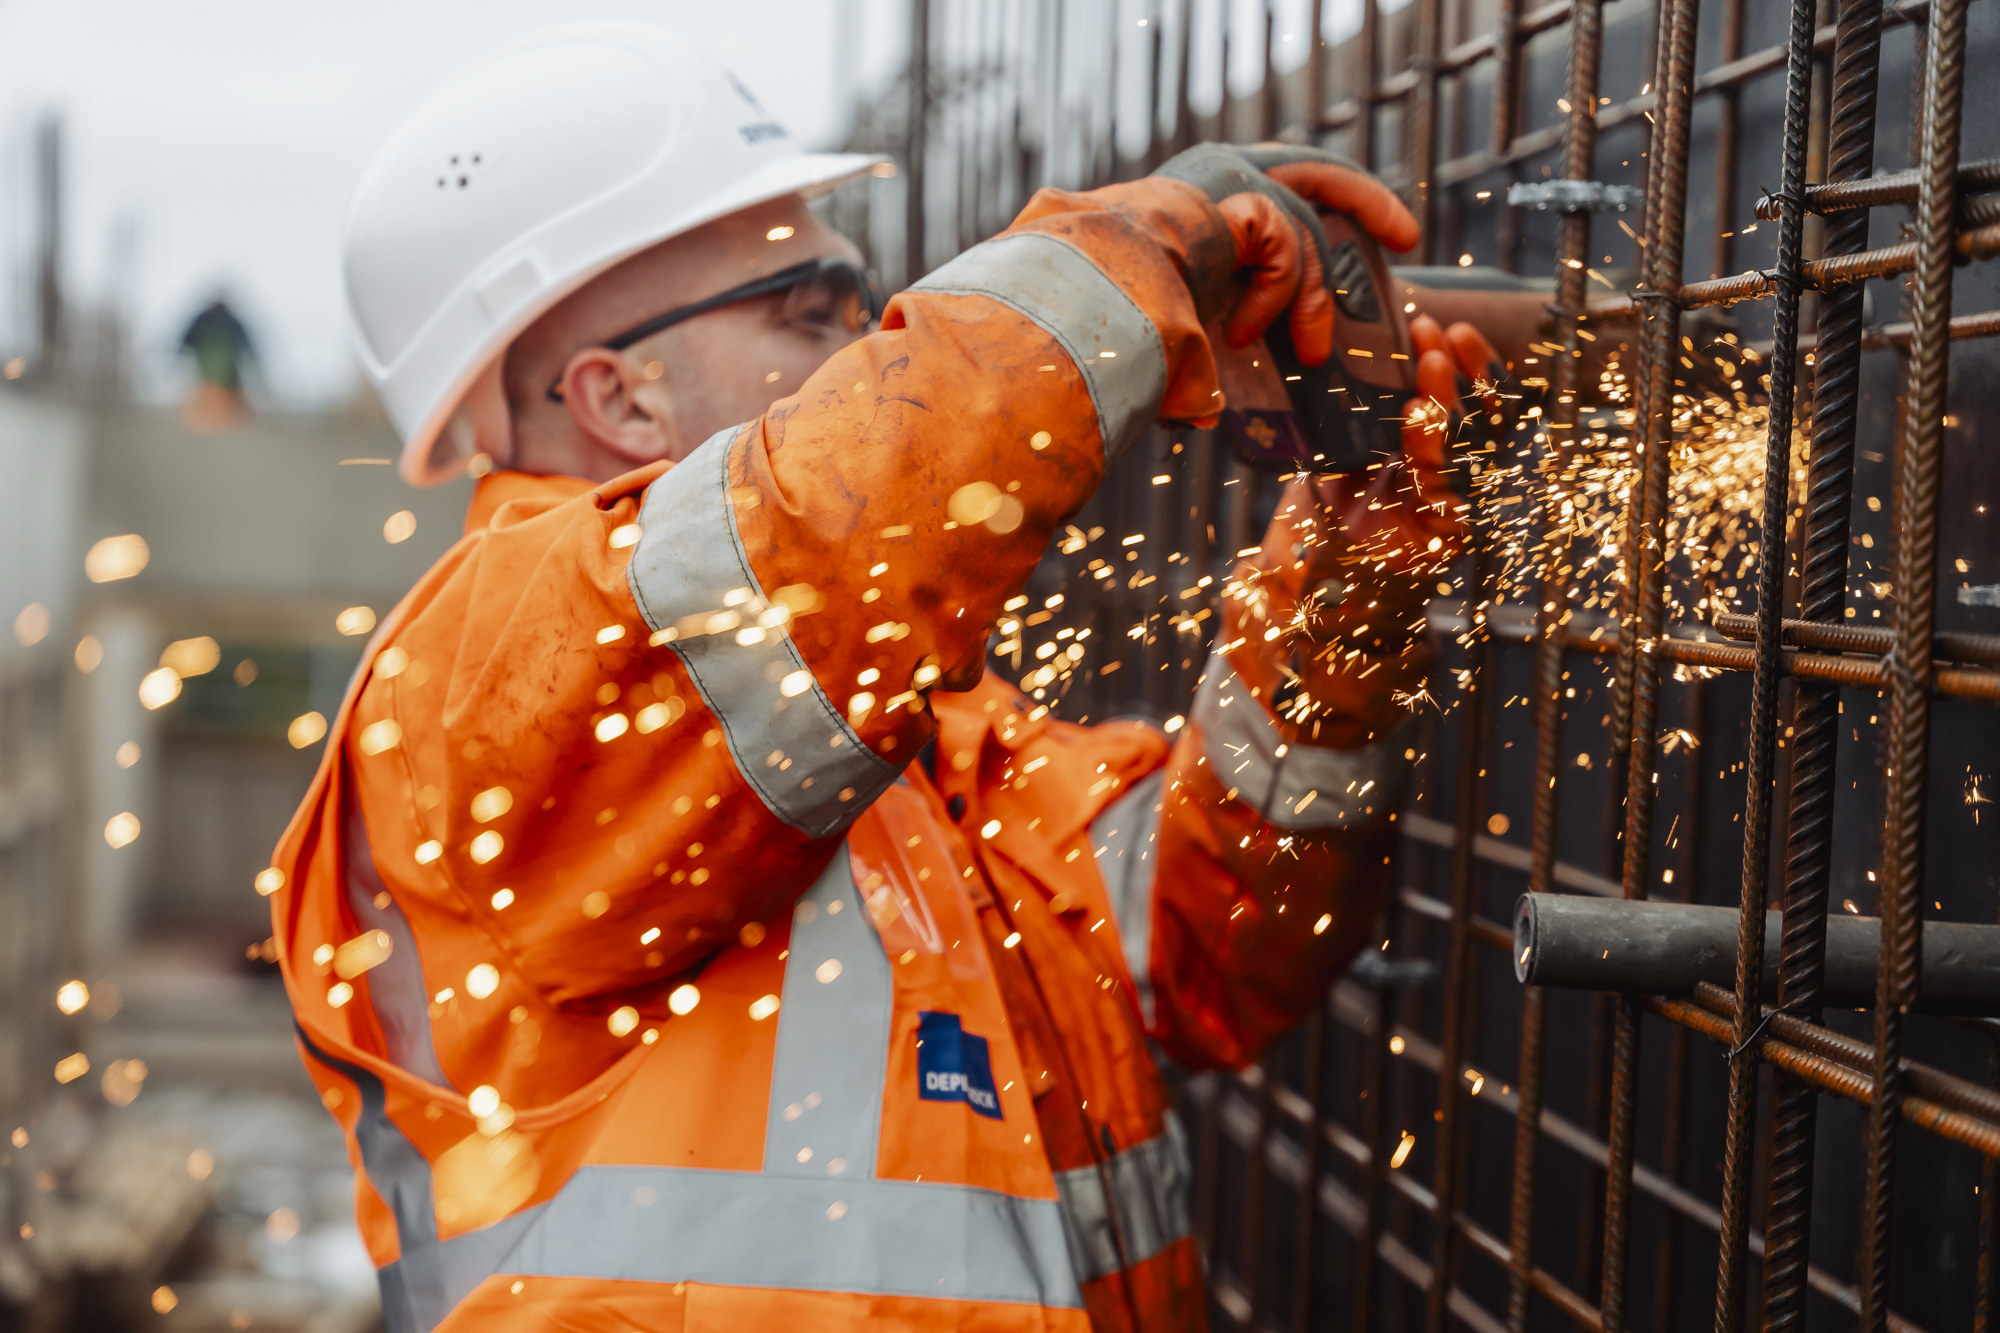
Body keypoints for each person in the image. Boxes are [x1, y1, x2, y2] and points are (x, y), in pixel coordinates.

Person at [268, 23, 1497, 1333]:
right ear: (620, 400)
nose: (866, 346)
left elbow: (1203, 956)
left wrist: (1341, 590)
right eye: (812, 310)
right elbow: (831, 525)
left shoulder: (890, 734)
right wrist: (1143, 249)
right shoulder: (474, 684)